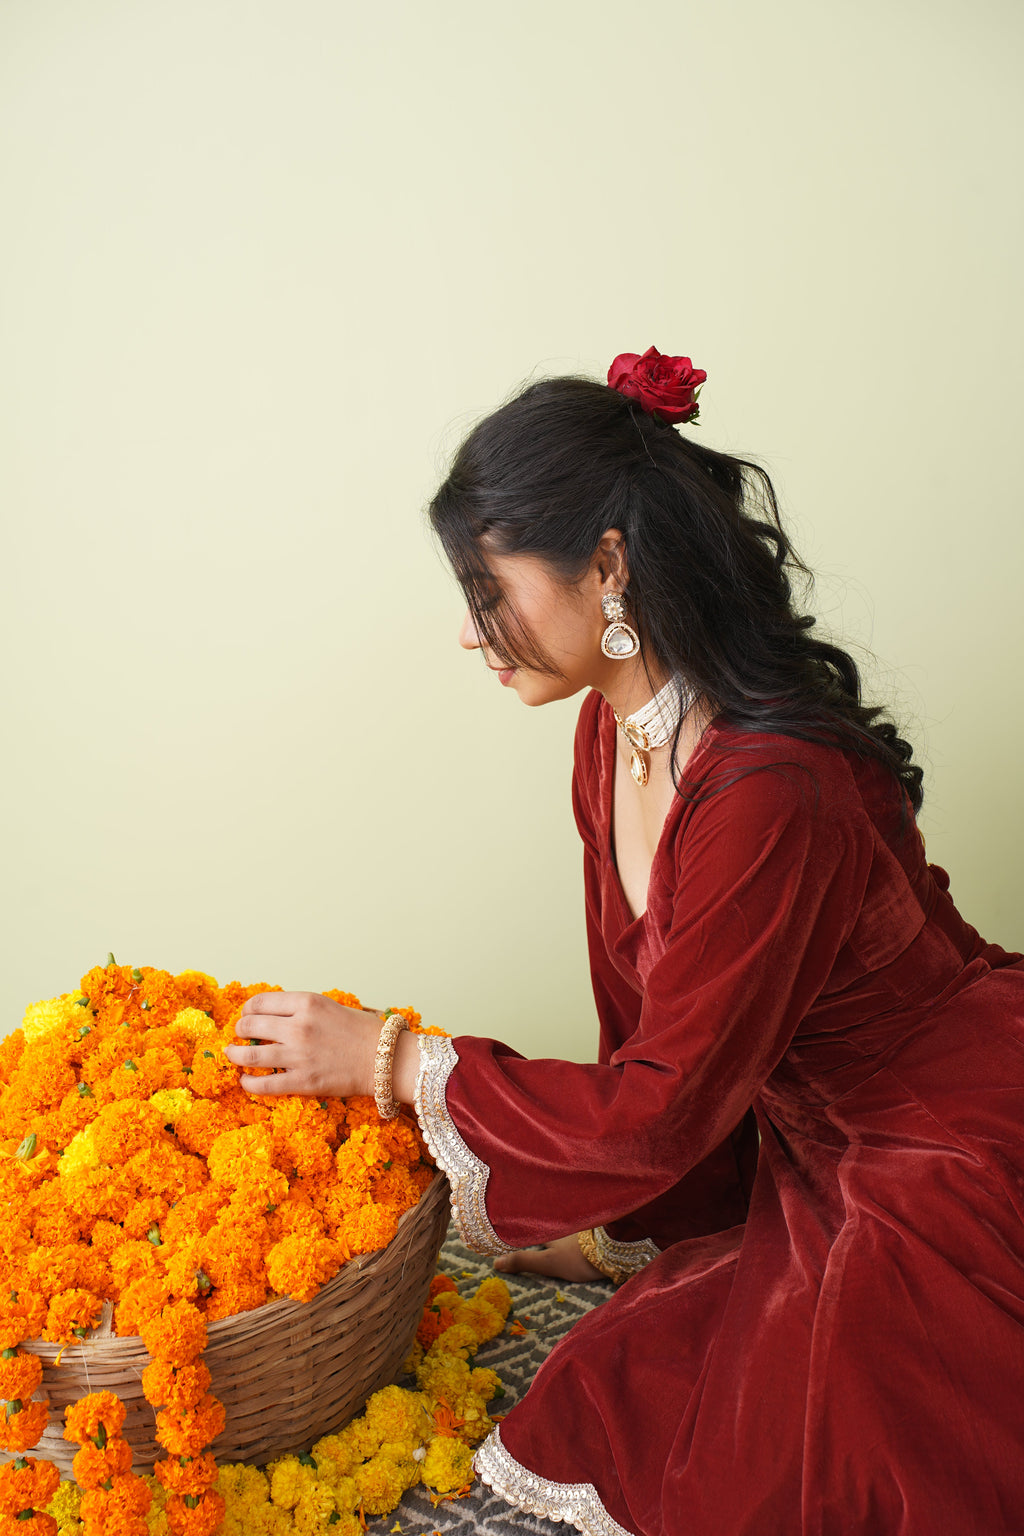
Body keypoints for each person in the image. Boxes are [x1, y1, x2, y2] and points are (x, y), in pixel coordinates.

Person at [224, 349, 1024, 1536]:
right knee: (613, 1379)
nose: (467, 634)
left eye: (486, 592)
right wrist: (627, 1222)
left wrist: (393, 1061)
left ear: (605, 566)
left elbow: (662, 1101)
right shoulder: (611, 742)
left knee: (792, 1425)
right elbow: (652, 1037)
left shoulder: (769, 788)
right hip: (790, 1132)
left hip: (936, 1135)